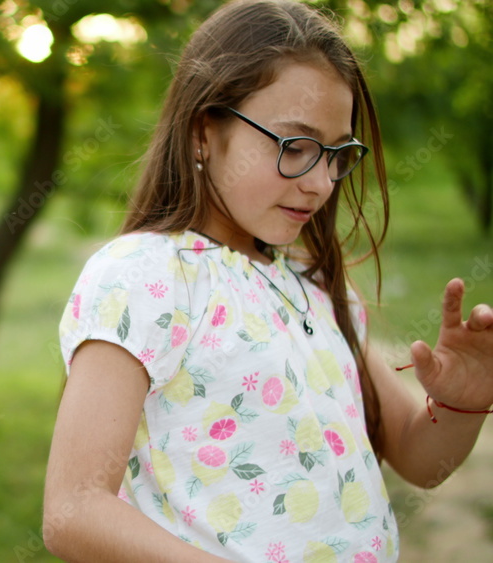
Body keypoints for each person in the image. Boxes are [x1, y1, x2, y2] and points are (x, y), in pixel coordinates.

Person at [43, 1, 493, 561]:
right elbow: (74, 509)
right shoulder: (146, 276)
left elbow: (421, 462)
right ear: (205, 132)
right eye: (295, 146)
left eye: (335, 155)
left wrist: (462, 405)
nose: (321, 183)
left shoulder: (318, 286)